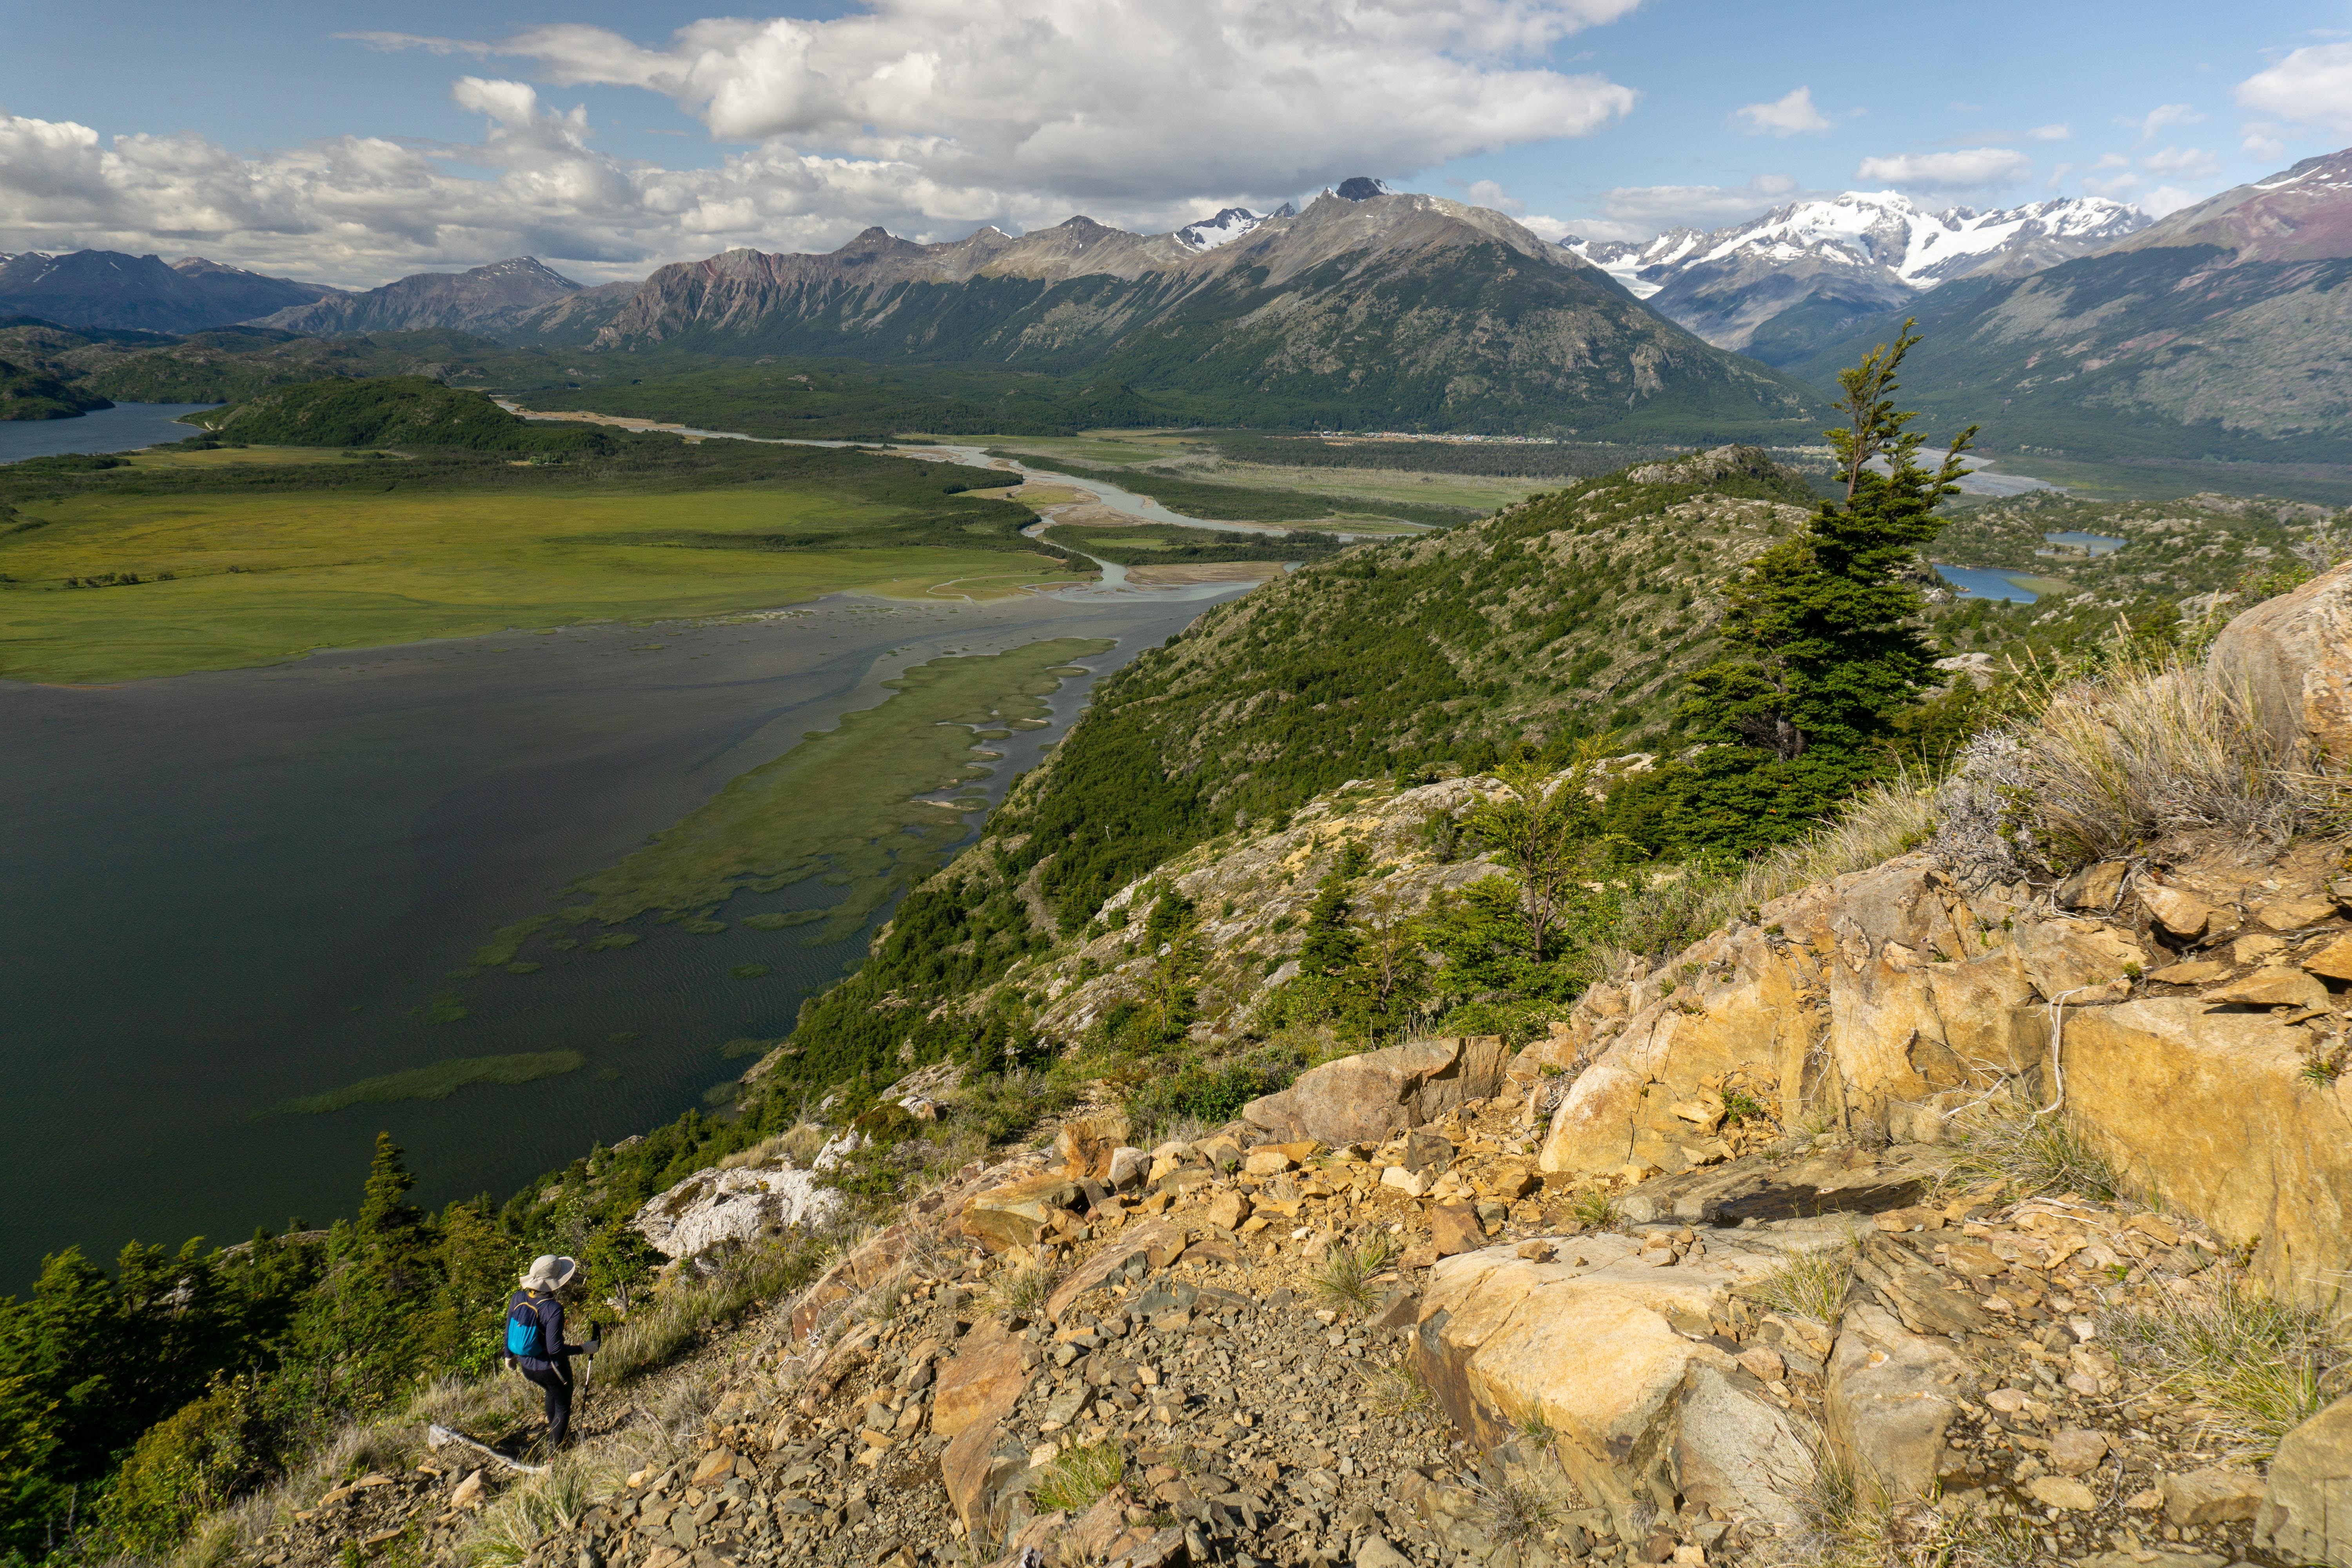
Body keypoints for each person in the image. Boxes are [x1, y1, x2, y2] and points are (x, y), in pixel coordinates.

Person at [505, 1254, 599, 1450]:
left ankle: (555, 1436)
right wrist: (584, 1348)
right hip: (552, 1369)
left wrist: (508, 1356)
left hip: (527, 1367)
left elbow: (508, 1329)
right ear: (553, 1282)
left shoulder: (518, 1297)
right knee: (563, 1407)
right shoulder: (553, 1308)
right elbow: (555, 1350)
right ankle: (555, 1452)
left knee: (551, 1392)